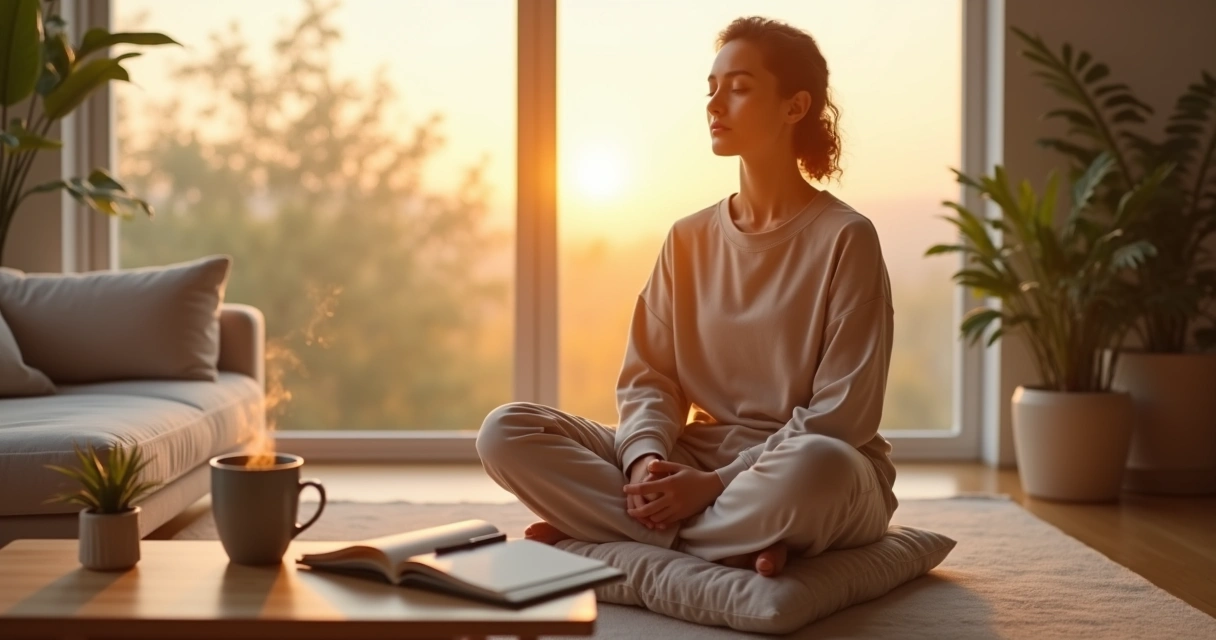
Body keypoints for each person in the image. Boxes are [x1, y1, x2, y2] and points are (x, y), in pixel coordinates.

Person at [476, 16, 897, 578]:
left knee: (819, 466)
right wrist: (647, 461)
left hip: (804, 469)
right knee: (505, 431)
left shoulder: (847, 237)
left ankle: (610, 531)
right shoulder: (688, 237)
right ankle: (734, 542)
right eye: (712, 88)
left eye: (739, 88)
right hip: (695, 458)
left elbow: (841, 418)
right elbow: (650, 378)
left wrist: (715, 485)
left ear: (795, 107)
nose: (715, 103)